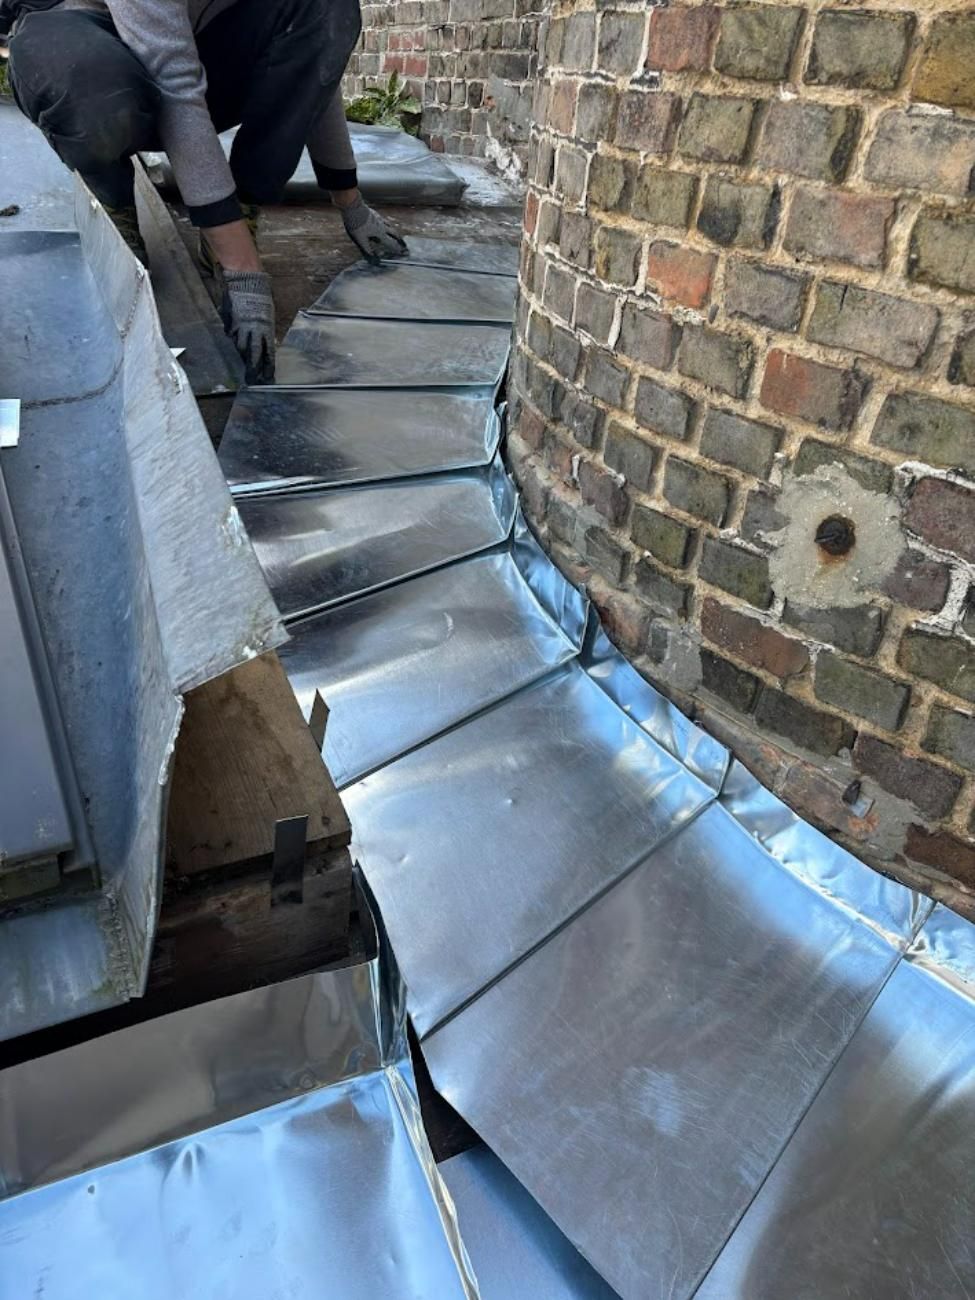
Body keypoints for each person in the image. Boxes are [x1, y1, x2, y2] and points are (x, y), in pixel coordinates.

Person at [1, 0, 408, 382]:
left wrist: (348, 197)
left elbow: (313, 66)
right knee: (89, 85)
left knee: (327, 8)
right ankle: (113, 199)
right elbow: (174, 81)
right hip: (80, 37)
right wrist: (243, 269)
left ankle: (244, 205)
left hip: (191, 42)